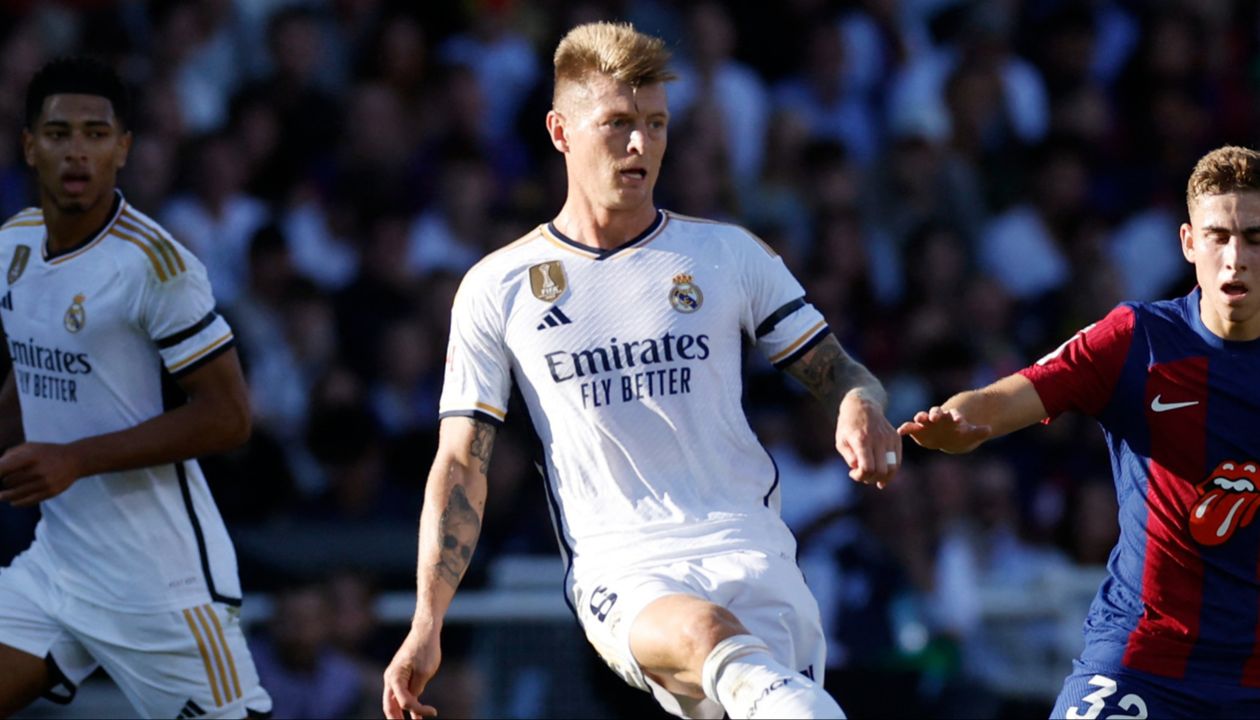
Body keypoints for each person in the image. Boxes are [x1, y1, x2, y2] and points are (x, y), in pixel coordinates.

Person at [382, 21, 901, 720]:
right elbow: (460, 464)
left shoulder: (728, 256)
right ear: (561, 131)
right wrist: (426, 621)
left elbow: (841, 372)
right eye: (618, 123)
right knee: (711, 638)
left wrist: (860, 404)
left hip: (752, 549)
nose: (641, 145)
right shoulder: (497, 287)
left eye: (656, 124)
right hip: (622, 565)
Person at [899, 144, 1260, 718]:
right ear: (1189, 242)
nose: (1235, 258)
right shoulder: (1137, 339)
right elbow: (1008, 395)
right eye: (1219, 236)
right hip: (1142, 663)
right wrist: (964, 420)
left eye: (1255, 238)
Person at [0, 57, 271, 718]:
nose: (77, 151)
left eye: (95, 134)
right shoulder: (13, 246)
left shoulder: (158, 266)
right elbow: (30, 369)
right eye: (58, 133)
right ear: (30, 145)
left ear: (123, 149)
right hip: (57, 566)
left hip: (161, 583)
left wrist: (75, 458)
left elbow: (230, 417)